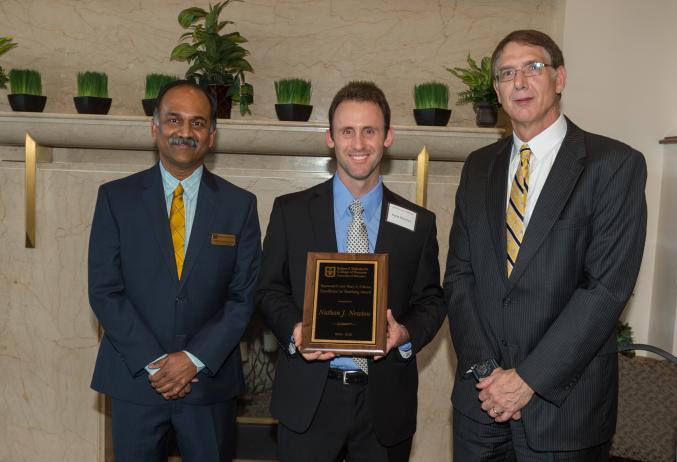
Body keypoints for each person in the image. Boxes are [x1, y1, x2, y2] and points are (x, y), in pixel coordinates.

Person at [444, 30, 647, 461]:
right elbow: (460, 278)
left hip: (564, 413)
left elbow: (605, 290)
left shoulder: (613, 165)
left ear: (560, 79)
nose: (520, 81)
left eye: (533, 67)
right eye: (507, 73)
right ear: (497, 91)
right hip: (480, 408)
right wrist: (488, 376)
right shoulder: (478, 168)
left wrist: (527, 380)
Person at [256, 81, 445, 462]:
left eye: (369, 130)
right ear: (330, 138)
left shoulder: (418, 223)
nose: (358, 143)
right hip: (309, 400)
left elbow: (432, 300)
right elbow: (267, 290)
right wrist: (296, 330)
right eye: (347, 131)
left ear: (388, 137)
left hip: (385, 404)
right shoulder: (290, 212)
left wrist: (405, 333)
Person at [88, 80, 261, 462]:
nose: (185, 132)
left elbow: (243, 296)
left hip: (208, 384)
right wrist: (156, 362)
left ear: (212, 136)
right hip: (135, 380)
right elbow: (104, 290)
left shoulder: (240, 206)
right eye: (174, 120)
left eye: (197, 123)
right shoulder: (116, 199)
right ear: (155, 128)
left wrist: (192, 359)